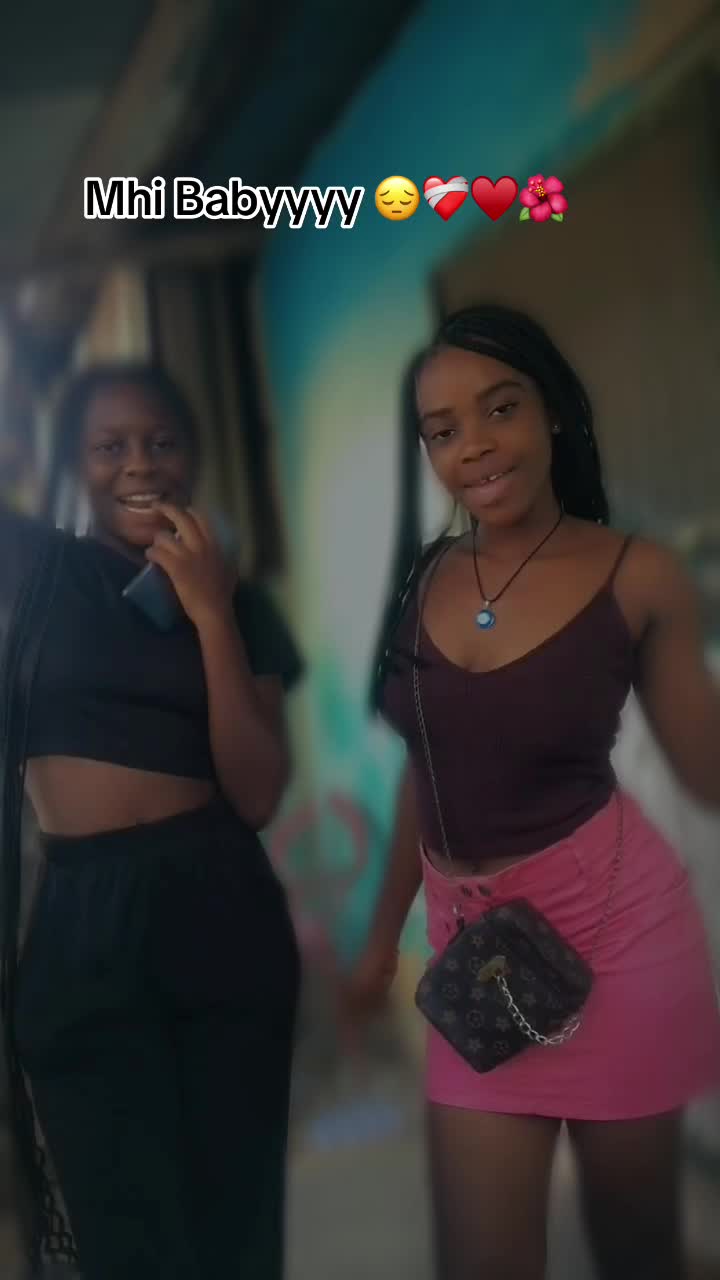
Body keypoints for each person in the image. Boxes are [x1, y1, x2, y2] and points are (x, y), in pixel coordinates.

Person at [344, 305, 720, 1280]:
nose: (473, 445)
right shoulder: (426, 575)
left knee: (636, 1252)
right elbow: (426, 768)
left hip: (619, 942)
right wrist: (381, 937)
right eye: (442, 430)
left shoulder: (639, 575)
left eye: (500, 408)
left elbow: (708, 770)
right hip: (478, 960)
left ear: (551, 408)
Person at [0, 363, 304, 1279]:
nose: (140, 463)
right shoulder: (36, 571)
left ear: (193, 457)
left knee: (234, 1233)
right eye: (110, 446)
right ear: (73, 464)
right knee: (125, 1243)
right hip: (80, 919)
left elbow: (257, 793)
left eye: (162, 441)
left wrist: (210, 612)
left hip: (219, 906)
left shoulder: (240, 600)